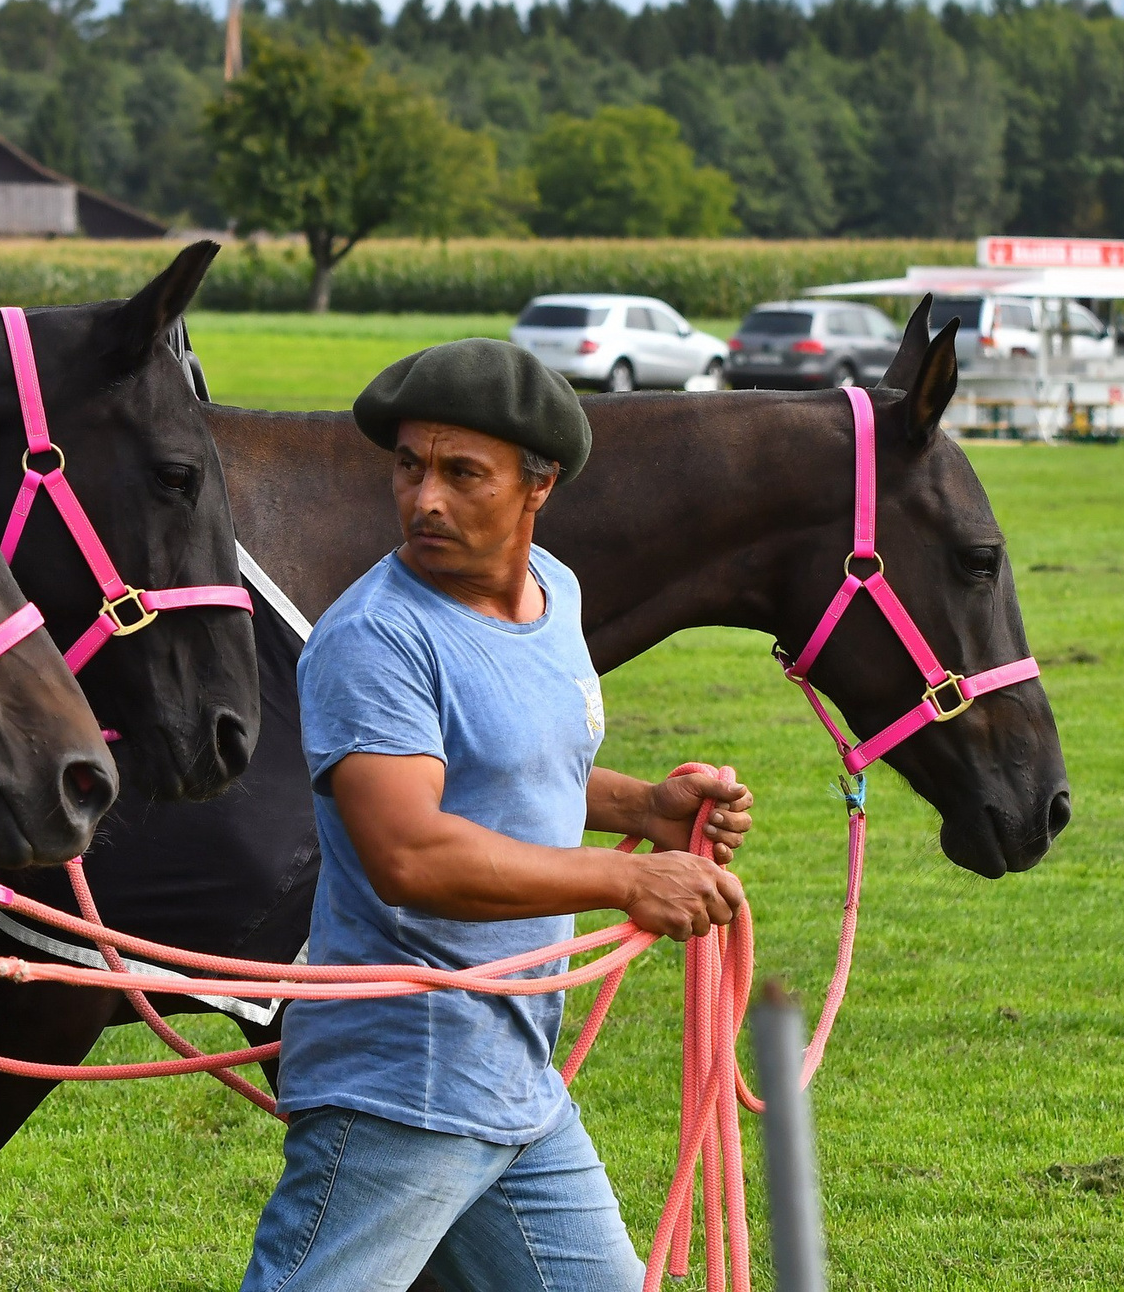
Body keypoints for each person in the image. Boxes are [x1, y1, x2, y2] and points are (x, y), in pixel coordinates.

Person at [240, 339, 752, 1292]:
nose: (424, 499)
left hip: (516, 1078)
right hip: (402, 1086)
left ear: (538, 486)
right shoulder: (377, 639)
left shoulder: (555, 594)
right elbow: (411, 853)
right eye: (410, 467)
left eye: (462, 474)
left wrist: (646, 807)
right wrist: (627, 878)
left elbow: (511, 766)